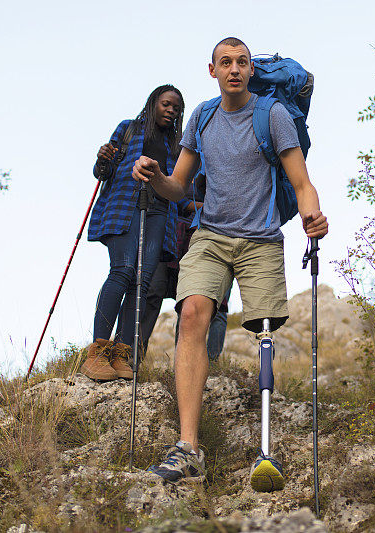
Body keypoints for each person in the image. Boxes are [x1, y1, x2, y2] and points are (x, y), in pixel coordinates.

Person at [131, 38, 328, 486]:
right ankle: (188, 450)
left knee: (262, 331)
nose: (235, 69)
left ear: (250, 70)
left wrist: (312, 216)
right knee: (192, 313)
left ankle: (266, 450)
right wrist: (156, 176)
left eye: (242, 62)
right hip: (211, 235)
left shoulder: (272, 115)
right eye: (226, 62)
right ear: (212, 70)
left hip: (260, 239)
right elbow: (179, 186)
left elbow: (301, 182)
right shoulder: (201, 116)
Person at [81, 85, 185, 382]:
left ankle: (121, 353)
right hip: (123, 207)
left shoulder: (177, 146)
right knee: (123, 271)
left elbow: (179, 185)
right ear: (153, 103)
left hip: (159, 214)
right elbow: (103, 172)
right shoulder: (128, 130)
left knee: (143, 282)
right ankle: (98, 352)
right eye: (166, 104)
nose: (171, 111)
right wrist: (102, 158)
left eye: (176, 108)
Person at [118, 173, 231, 361]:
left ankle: (190, 364)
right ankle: (130, 356)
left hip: (208, 237)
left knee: (197, 302)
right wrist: (211, 208)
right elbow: (176, 196)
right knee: (153, 291)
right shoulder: (180, 154)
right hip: (171, 232)